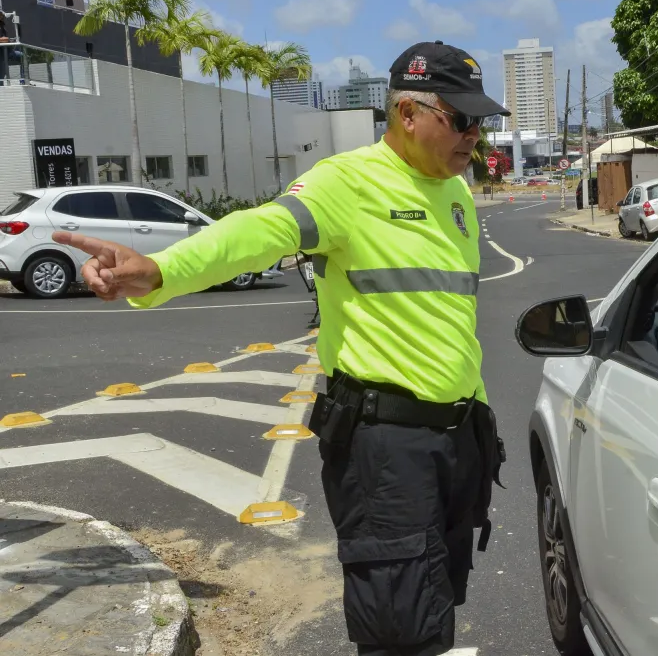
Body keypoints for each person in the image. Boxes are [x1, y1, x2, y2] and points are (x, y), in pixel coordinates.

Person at [53, 40, 510, 656]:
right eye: (461, 119)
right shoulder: (347, 182)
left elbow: (448, 321)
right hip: (387, 446)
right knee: (402, 630)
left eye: (480, 121)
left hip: (455, 439)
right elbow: (261, 229)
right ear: (408, 113)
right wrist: (161, 270)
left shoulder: (455, 196)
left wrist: (475, 418)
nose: (474, 137)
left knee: (435, 601)